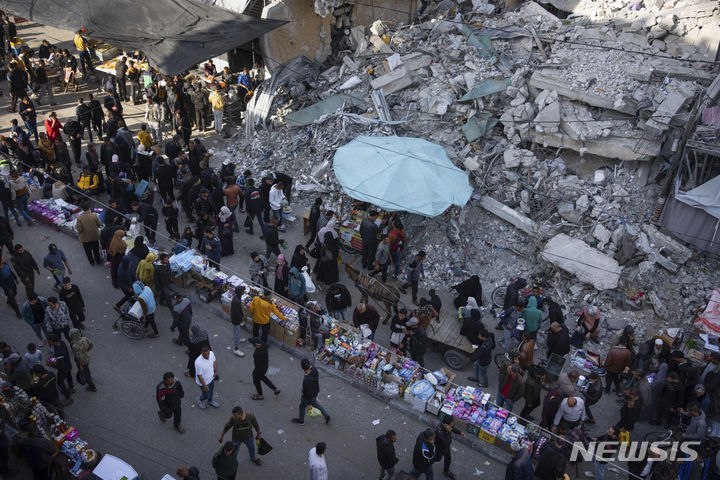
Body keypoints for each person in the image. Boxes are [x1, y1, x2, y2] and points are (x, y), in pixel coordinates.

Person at [292, 358, 330, 425]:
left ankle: (301, 421)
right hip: (315, 392)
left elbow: (309, 393)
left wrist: (309, 404)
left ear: (301, 367)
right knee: (316, 404)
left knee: (302, 407)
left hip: (307, 397)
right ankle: (326, 416)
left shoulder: (307, 381)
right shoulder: (314, 370)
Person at [47, 333, 74, 403]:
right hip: (68, 363)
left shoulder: (59, 352)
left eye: (49, 341)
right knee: (68, 375)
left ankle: (68, 397)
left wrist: (50, 364)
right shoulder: (61, 342)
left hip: (63, 368)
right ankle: (71, 388)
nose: (48, 343)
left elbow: (59, 364)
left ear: (54, 341)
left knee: (60, 382)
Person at [69, 327, 96, 392]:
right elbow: (91, 345)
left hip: (81, 362)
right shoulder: (84, 338)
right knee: (87, 370)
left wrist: (80, 365)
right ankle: (89, 378)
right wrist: (86, 351)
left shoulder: (74, 345)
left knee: (85, 373)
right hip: (87, 357)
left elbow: (78, 357)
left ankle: (92, 387)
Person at [314, 219, 339, 285]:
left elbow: (318, 238)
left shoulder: (322, 230)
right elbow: (336, 250)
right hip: (331, 260)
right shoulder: (334, 234)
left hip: (324, 258)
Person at [196, 344, 219, 409]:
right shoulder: (198, 362)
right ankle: (200, 400)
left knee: (211, 390)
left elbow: (214, 362)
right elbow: (199, 376)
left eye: (208, 354)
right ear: (201, 353)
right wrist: (205, 386)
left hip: (211, 378)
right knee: (206, 394)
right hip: (204, 383)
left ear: (209, 351)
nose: (207, 356)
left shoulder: (211, 353)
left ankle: (210, 400)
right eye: (205, 355)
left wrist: (216, 371)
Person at [230, 286, 247, 357]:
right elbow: (237, 312)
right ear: (240, 292)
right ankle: (236, 349)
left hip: (235, 318)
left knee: (237, 330)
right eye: (243, 291)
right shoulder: (236, 300)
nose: (244, 292)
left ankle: (239, 339)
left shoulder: (236, 298)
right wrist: (241, 319)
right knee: (236, 332)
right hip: (236, 320)